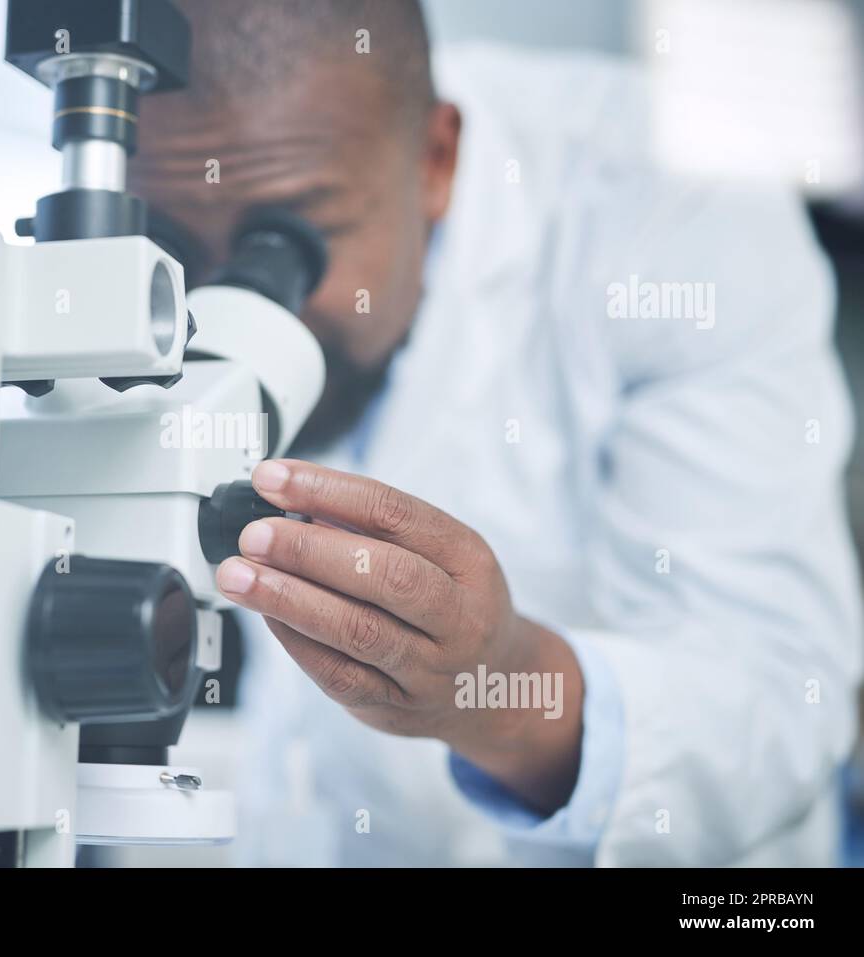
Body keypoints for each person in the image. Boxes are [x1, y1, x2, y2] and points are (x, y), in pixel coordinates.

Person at [123, 0, 862, 865]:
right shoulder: (205, 231)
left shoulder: (674, 204)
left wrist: (499, 683)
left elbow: (780, 702)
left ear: (437, 161)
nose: (226, 310)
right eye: (173, 244)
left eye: (284, 243)